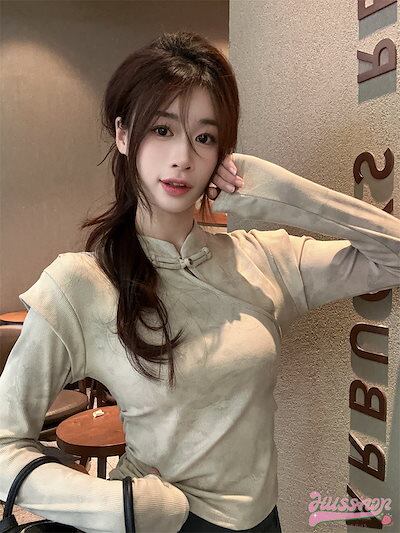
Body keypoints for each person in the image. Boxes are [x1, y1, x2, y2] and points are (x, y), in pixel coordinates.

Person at [0, 30, 399, 533]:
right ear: (123, 134)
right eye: (162, 129)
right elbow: (5, 442)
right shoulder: (80, 284)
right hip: (159, 521)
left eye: (204, 138)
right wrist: (117, 506)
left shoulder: (264, 260)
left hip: (264, 521)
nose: (183, 157)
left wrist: (282, 195)